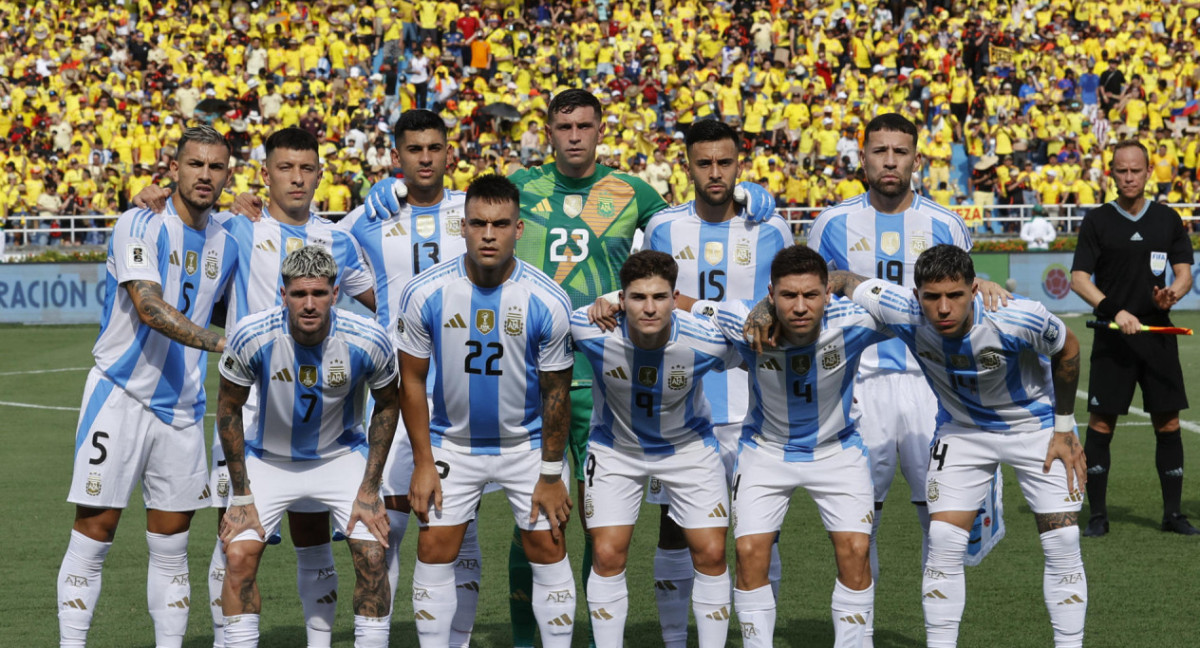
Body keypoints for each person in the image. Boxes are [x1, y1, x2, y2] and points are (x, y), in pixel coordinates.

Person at [359, 88, 776, 647]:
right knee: (530, 525)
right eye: (563, 126)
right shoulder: (522, 186)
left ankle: (584, 632)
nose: (574, 135)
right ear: (549, 131)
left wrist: (747, 197)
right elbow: (469, 204)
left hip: (608, 379)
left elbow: (690, 220)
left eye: (584, 125)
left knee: (591, 524)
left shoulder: (634, 192)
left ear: (601, 129)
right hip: (529, 378)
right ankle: (528, 636)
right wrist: (395, 189)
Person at [134, 127, 378, 648]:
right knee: (234, 541)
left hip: (321, 420)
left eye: (306, 167)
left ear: (319, 174)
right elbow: (183, 214)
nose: (296, 177)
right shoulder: (237, 228)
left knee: (314, 538)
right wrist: (153, 195)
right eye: (285, 167)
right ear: (265, 174)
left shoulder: (340, 240)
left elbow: (386, 310)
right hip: (246, 420)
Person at [826, 244, 1088, 648]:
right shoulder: (902, 309)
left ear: (974, 289)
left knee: (1063, 541)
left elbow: (1067, 347)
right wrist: (767, 305)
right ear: (916, 297)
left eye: (955, 295)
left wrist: (1065, 427)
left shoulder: (1016, 316)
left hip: (1034, 429)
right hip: (962, 432)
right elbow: (842, 279)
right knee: (944, 541)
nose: (943, 308)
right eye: (932, 297)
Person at [805, 113, 1003, 620]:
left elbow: (960, 302)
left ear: (917, 159)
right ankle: (858, 634)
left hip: (928, 386)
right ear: (862, 158)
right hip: (858, 385)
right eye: (879, 151)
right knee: (856, 524)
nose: (889, 160)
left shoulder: (945, 223)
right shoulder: (830, 223)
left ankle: (939, 634)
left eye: (899, 151)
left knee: (942, 524)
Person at [56, 126, 237, 648]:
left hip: (181, 409)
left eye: (216, 166)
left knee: (172, 544)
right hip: (119, 397)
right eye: (195, 164)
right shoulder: (139, 221)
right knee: (94, 531)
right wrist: (219, 344)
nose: (205, 175)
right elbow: (149, 307)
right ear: (174, 168)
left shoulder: (228, 238)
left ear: (228, 174)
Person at [398, 174, 577, 647]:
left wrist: (552, 472)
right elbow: (411, 380)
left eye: (500, 223)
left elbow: (557, 393)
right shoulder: (424, 293)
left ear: (519, 229)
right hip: (452, 444)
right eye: (478, 223)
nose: (489, 233)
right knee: (435, 549)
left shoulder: (547, 299)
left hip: (527, 446)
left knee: (548, 548)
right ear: (463, 227)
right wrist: (421, 462)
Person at [639, 119, 793, 645]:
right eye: (703, 163)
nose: (715, 173)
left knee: (758, 533)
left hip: (757, 406)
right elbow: (653, 298)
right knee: (674, 527)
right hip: (682, 404)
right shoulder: (662, 228)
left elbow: (785, 307)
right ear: (686, 166)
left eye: (725, 162)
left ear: (740, 166)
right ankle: (675, 639)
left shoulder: (769, 229)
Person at [215, 245, 399, 648]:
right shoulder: (252, 334)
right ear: (283, 295)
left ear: (336, 293)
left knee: (372, 556)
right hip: (269, 460)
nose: (310, 304)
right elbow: (228, 408)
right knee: (238, 557)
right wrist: (242, 492)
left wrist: (369, 488)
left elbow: (387, 406)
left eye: (319, 293)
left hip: (340, 456)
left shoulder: (368, 338)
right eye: (299, 294)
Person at [713, 245, 891, 648]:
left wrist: (847, 278)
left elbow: (908, 306)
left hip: (837, 450)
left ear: (828, 294)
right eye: (788, 296)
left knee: (855, 551)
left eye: (811, 295)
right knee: (749, 554)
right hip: (765, 451)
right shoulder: (743, 318)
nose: (799, 306)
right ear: (771, 293)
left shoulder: (853, 321)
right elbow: (689, 308)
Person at [572, 250, 741, 648]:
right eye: (637, 298)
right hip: (616, 449)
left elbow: (749, 348)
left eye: (660, 297)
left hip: (688, 448)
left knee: (712, 554)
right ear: (622, 299)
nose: (649, 308)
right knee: (608, 554)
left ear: (675, 297)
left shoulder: (706, 339)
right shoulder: (590, 327)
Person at [1069, 140, 1197, 537]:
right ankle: (1098, 516)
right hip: (1113, 335)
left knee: (1168, 422)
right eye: (1121, 171)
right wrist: (1114, 311)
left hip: (1157, 335)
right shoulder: (1097, 220)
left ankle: (1173, 515)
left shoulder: (1167, 219)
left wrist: (1171, 294)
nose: (1128, 177)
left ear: (1147, 173)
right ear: (1111, 173)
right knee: (1102, 424)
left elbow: (1184, 274)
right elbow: (1078, 280)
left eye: (1135, 171)